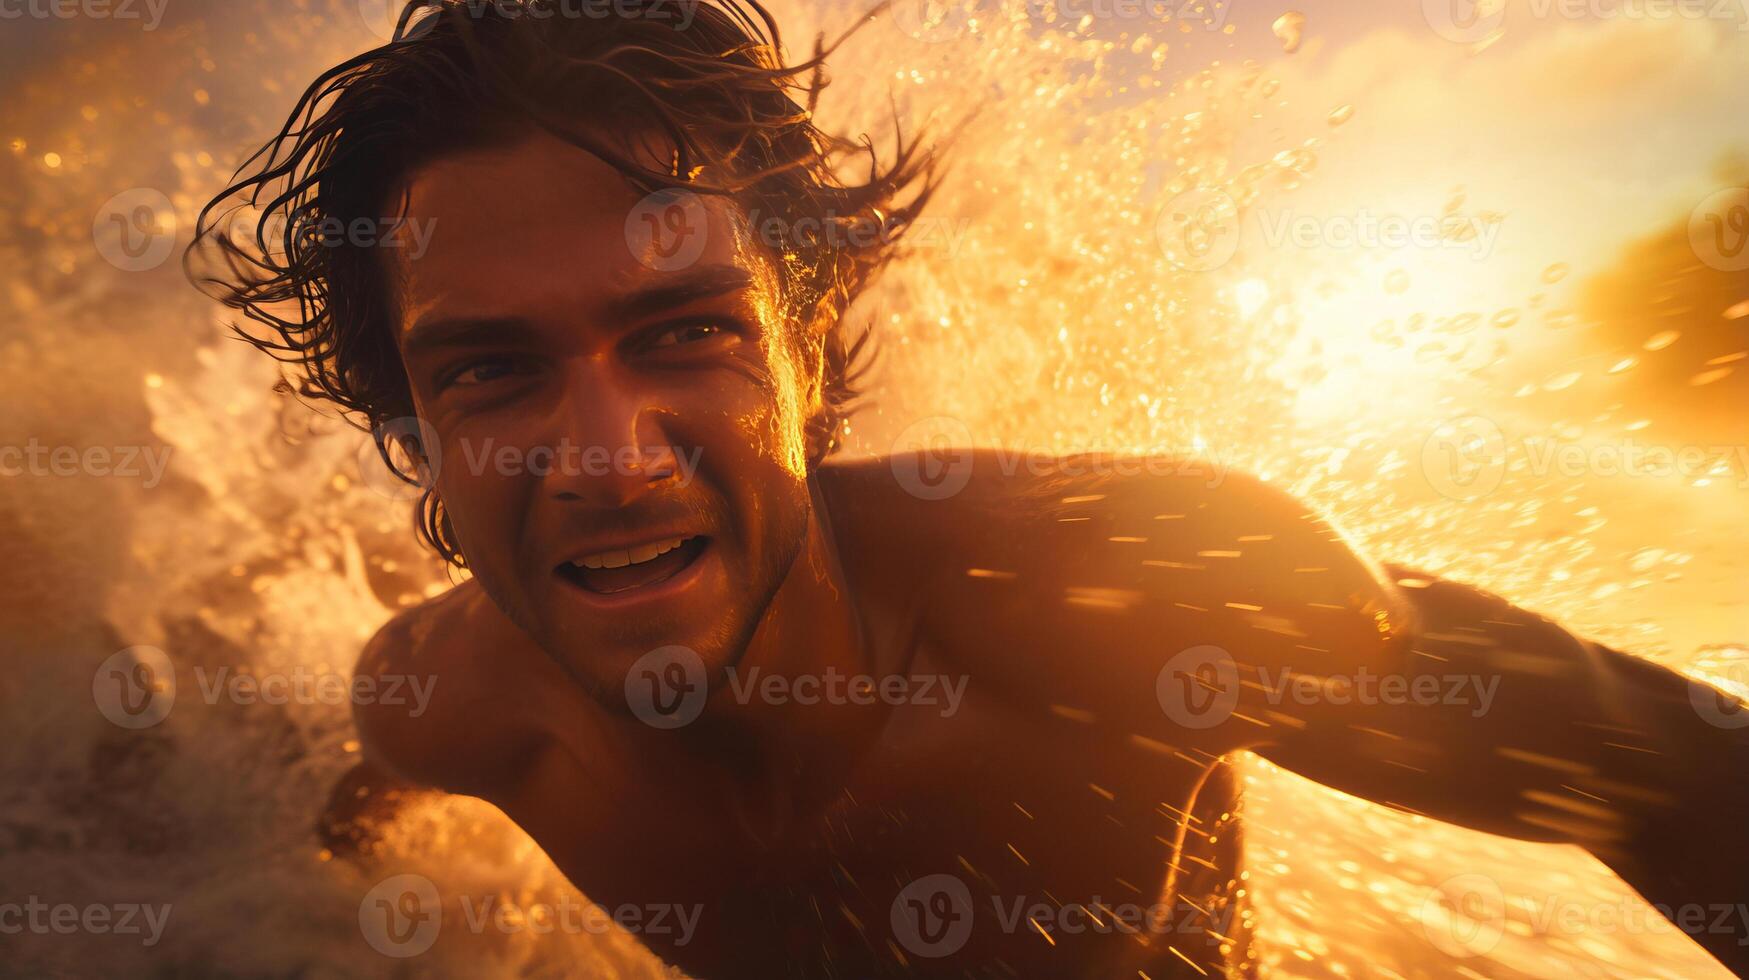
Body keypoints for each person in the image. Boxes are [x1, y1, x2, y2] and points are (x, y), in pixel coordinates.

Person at [192, 2, 1749, 975]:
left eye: (682, 335)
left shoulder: (1131, 600)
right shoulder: (443, 706)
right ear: (420, 444)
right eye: (488, 371)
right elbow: (348, 832)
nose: (606, 456)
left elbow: (1676, 781)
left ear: (806, 347)